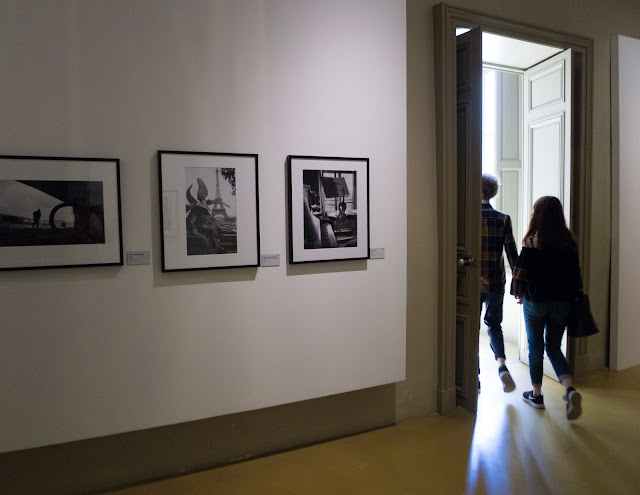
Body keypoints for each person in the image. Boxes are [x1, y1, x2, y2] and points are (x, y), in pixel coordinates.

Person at [511, 196, 583, 420]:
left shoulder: (531, 241)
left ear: (538, 215)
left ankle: (537, 395)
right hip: (561, 303)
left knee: (535, 347)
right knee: (553, 347)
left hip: (536, 300)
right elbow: (575, 276)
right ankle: (569, 389)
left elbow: (520, 272)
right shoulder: (569, 242)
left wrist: (520, 294)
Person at [480, 174, 518, 392]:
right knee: (494, 326)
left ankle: (472, 377)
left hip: (472, 283)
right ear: (493, 192)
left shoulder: (467, 217)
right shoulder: (503, 218)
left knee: (469, 329)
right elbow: (512, 253)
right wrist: (519, 283)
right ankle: (502, 366)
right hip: (496, 282)